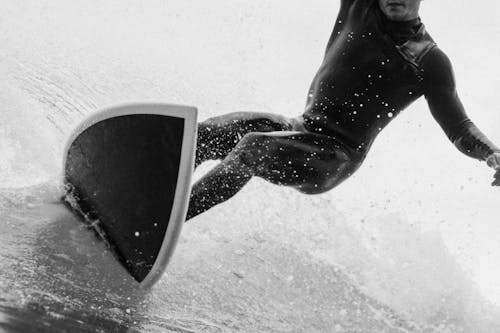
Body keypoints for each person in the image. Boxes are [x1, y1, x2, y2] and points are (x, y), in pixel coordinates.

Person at [186, 0, 500, 221]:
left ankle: (168, 220)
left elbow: (460, 128)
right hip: (299, 127)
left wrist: (490, 152)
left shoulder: (429, 60)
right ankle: (152, 193)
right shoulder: (358, 5)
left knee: (253, 147)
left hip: (335, 157)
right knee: (203, 134)